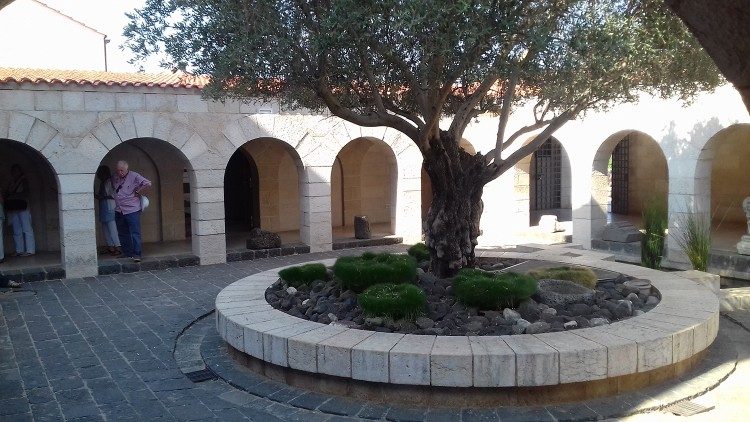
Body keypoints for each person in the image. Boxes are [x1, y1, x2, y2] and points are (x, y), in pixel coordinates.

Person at [112, 160, 151, 262]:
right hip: (119, 209)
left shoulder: (134, 175)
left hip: (131, 209)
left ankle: (137, 254)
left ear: (126, 169)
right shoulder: (115, 177)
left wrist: (138, 190)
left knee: (135, 232)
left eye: (122, 170)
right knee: (122, 232)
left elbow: (147, 183)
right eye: (118, 170)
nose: (120, 172)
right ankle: (127, 252)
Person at [5, 164, 35, 257]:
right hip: (14, 207)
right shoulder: (11, 182)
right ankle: (19, 250)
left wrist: (13, 195)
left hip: (23, 206)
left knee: (27, 228)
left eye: (16, 171)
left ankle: (30, 250)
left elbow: (26, 193)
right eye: (13, 171)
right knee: (16, 229)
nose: (15, 173)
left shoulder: (23, 180)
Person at [95, 165, 121, 255]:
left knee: (112, 228)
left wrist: (103, 197)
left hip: (110, 207)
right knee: (105, 228)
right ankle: (111, 247)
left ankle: (118, 247)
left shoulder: (110, 182)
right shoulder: (103, 183)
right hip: (103, 207)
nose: (98, 175)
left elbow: (114, 195)